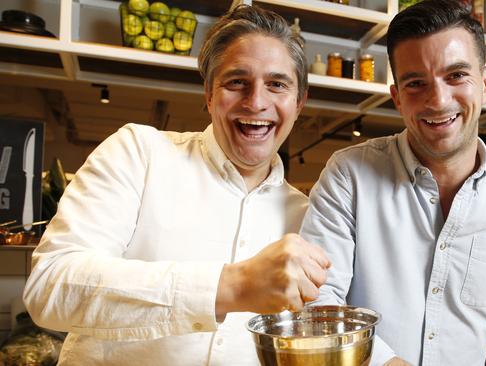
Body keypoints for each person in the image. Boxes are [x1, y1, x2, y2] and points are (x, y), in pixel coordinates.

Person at [22, 5, 330, 365]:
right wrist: (230, 286)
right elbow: (50, 286)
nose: (256, 102)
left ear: (299, 103)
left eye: (277, 84)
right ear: (210, 95)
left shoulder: (309, 218)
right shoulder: (139, 153)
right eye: (236, 82)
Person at [300, 1, 486, 365]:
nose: (438, 100)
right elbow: (317, 302)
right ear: (397, 99)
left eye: (456, 76)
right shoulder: (350, 174)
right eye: (415, 83)